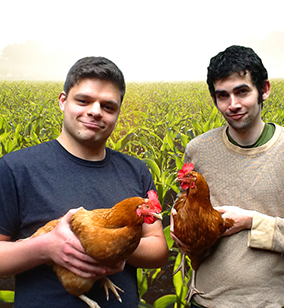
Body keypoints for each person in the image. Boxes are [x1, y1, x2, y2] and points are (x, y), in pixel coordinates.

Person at [0, 57, 168, 307]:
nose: (95, 111)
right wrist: (45, 247)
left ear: (118, 113)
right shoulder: (16, 168)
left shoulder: (136, 170)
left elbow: (157, 249)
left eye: (108, 106)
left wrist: (115, 247)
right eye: (83, 100)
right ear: (63, 101)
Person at [184, 45, 284, 308]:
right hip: (202, 301)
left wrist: (253, 222)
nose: (233, 105)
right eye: (223, 96)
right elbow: (188, 213)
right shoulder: (198, 149)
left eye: (242, 92)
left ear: (264, 89)